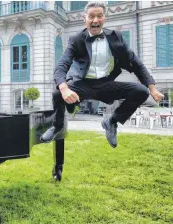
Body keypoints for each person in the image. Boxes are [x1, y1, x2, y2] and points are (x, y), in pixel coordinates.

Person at [40, 2, 164, 148]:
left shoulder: (116, 37)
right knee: (57, 93)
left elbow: (135, 62)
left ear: (104, 18)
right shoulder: (76, 39)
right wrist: (64, 88)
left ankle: (112, 122)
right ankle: (57, 126)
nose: (95, 20)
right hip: (83, 84)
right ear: (84, 19)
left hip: (106, 84)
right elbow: (61, 65)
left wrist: (152, 88)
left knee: (141, 92)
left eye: (99, 16)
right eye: (91, 16)